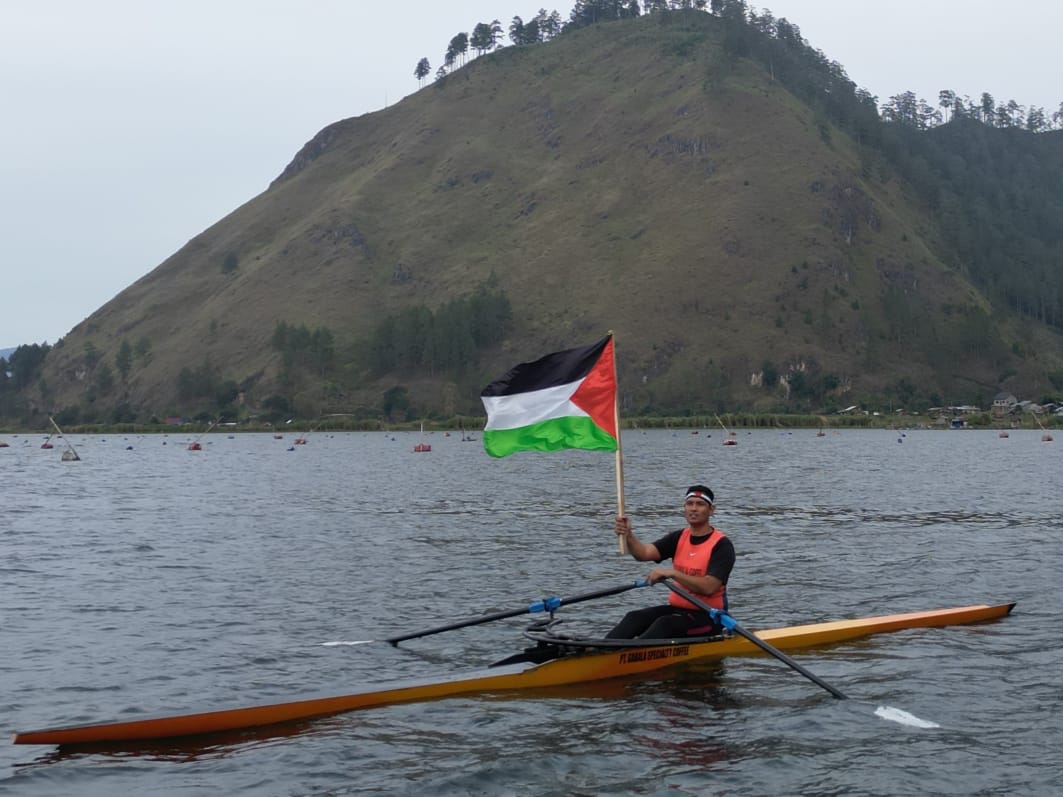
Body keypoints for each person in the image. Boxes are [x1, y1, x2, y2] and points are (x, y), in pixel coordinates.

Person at [606, 485, 735, 639]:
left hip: (708, 617)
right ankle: (597, 652)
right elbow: (644, 553)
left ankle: (625, 656)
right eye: (690, 503)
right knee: (634, 617)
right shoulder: (679, 537)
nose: (694, 509)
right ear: (684, 508)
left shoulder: (722, 545)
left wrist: (673, 573)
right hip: (678, 610)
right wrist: (628, 535)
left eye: (700, 504)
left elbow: (709, 587)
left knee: (665, 625)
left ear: (711, 510)